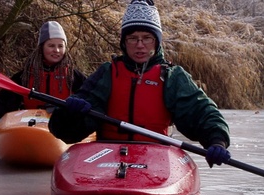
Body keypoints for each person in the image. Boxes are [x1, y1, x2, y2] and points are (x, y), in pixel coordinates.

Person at [48, 0, 231, 168]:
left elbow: (202, 111)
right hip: (107, 154)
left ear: (156, 42)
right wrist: (68, 113)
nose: (140, 45)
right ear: (124, 42)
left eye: (147, 38)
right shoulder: (107, 73)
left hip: (156, 157)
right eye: (133, 38)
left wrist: (217, 141)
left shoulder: (172, 77)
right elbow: (65, 132)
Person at [0, 21, 87, 157]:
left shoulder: (74, 77)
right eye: (51, 45)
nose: (56, 50)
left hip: (61, 126)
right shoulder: (24, 77)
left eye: (60, 46)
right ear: (41, 47)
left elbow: (92, 104)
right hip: (32, 127)